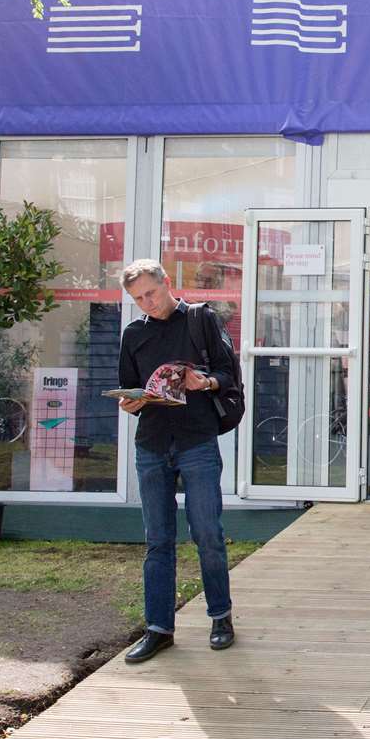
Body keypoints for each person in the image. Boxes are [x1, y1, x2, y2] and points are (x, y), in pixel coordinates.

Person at [116, 259, 240, 663]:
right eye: (137, 299)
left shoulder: (202, 320)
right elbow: (130, 392)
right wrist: (130, 403)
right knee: (158, 540)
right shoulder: (133, 334)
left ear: (167, 282)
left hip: (196, 441)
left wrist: (203, 381)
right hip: (151, 444)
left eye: (151, 293)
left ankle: (220, 616)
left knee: (207, 532)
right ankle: (158, 628)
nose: (146, 303)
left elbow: (229, 374)